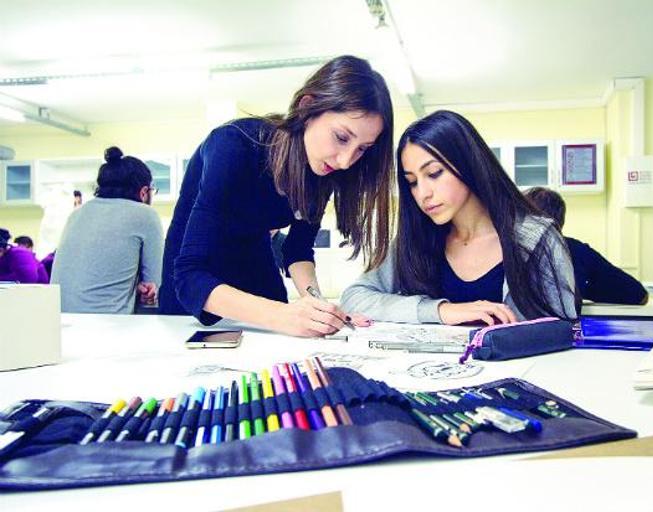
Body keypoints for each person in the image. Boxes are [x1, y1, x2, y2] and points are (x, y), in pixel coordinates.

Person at [159, 55, 393, 337]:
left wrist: (319, 307)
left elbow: (297, 250)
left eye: (362, 149)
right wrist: (282, 315)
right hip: (194, 279)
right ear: (307, 108)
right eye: (341, 138)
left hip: (255, 267)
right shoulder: (233, 146)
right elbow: (190, 276)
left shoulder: (323, 171)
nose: (346, 161)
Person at [340, 110, 577, 325]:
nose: (423, 193)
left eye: (434, 173)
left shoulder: (537, 239)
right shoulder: (415, 240)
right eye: (412, 182)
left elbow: (563, 331)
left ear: (468, 164)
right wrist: (440, 311)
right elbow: (354, 298)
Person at [50, 147, 163, 313]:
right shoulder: (146, 215)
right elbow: (154, 287)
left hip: (59, 320)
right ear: (144, 192)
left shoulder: (76, 214)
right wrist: (148, 292)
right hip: (108, 323)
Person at [524, 186, 648, 305]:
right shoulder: (576, 252)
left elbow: (638, 295)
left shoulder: (576, 253)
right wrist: (583, 286)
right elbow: (639, 296)